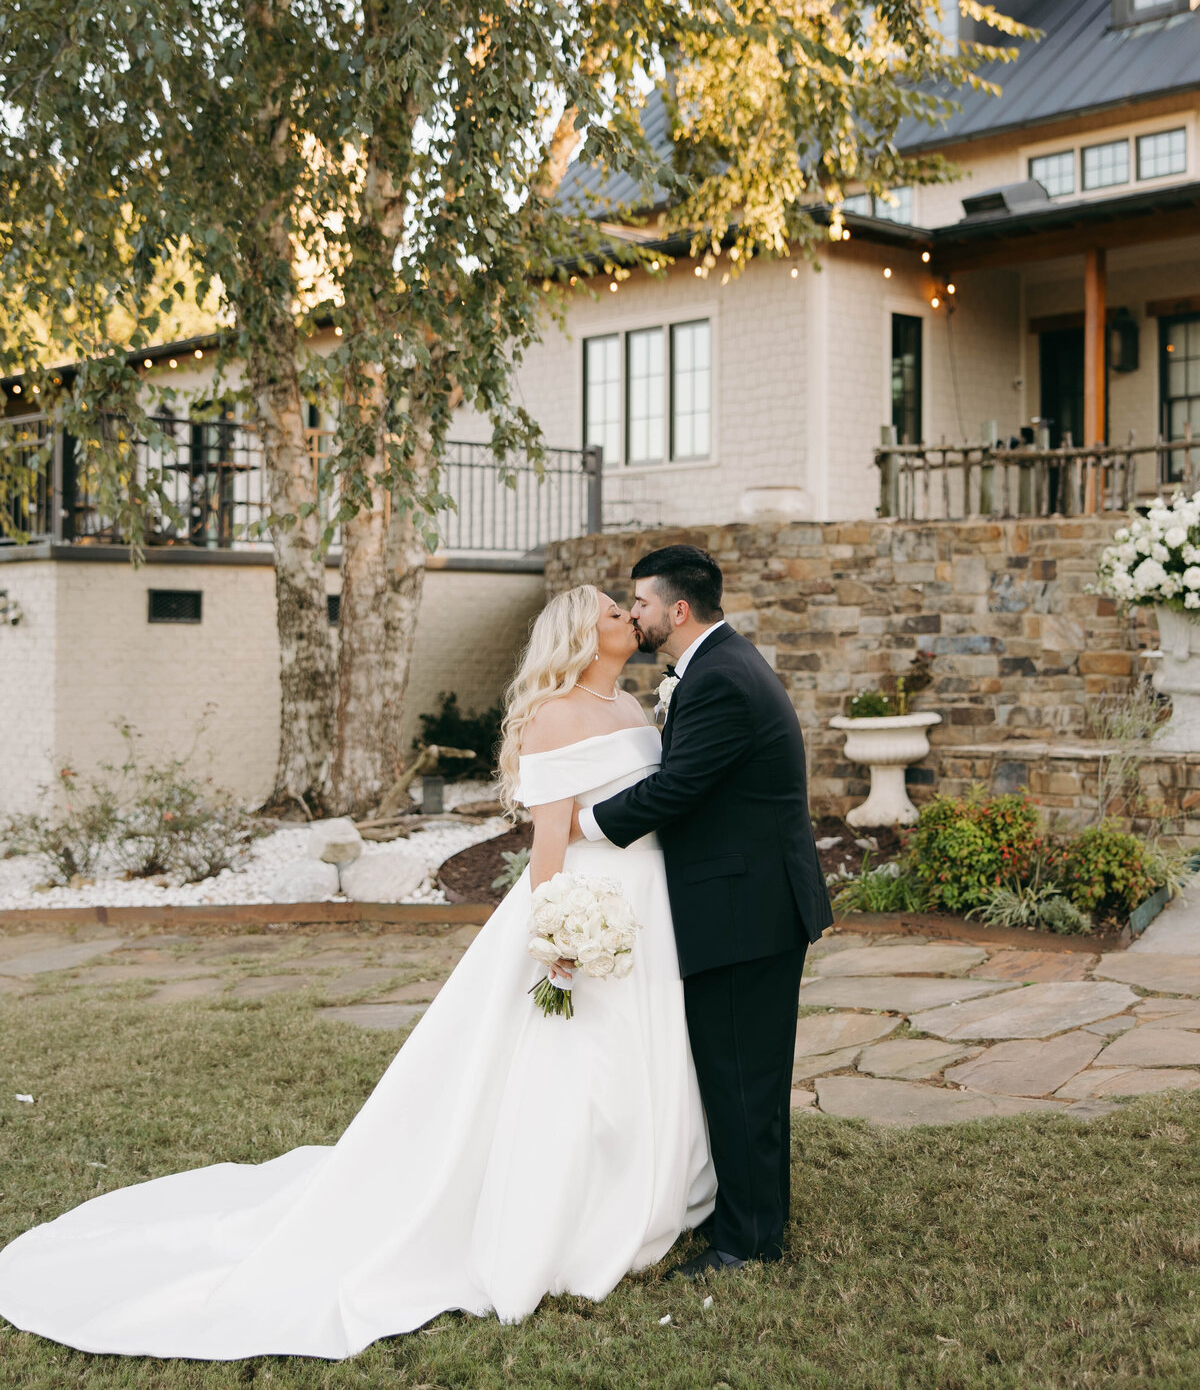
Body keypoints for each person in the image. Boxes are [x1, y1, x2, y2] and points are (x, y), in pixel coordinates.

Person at [0, 585, 715, 1360]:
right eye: (613, 612)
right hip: (580, 909)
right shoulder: (553, 717)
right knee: (575, 1072)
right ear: (581, 635)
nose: (627, 618)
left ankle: (644, 1196)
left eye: (625, 609)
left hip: (646, 912)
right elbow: (549, 847)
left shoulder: (639, 713)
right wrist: (555, 934)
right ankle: (564, 1222)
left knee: (642, 1055)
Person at [576, 544, 832, 1278]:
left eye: (643, 603)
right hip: (749, 899)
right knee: (741, 1072)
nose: (635, 615)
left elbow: (676, 789)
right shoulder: (722, 664)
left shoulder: (719, 678)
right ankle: (751, 1215)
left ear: (677, 609)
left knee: (743, 1076)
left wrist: (583, 824)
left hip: (746, 907)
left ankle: (747, 1241)